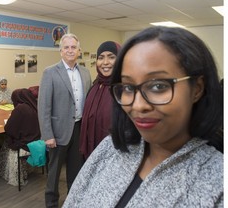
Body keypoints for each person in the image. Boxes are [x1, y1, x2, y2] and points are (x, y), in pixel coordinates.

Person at [63, 26, 223, 207]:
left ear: (197, 88)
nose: (138, 105)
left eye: (158, 86)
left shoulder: (218, 182)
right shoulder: (110, 148)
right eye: (128, 87)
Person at [38, 33, 92, 208]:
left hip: (78, 128)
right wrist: (48, 135)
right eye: (66, 47)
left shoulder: (85, 72)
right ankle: (51, 203)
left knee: (75, 170)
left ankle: (72, 201)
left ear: (79, 51)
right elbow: (44, 106)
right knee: (54, 172)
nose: (70, 50)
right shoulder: (50, 72)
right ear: (61, 51)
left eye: (73, 47)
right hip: (57, 131)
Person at [80, 41, 121, 160]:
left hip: (116, 157)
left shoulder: (125, 89)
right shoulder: (95, 86)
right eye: (101, 58)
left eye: (111, 57)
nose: (105, 62)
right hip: (92, 155)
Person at [0, 88, 41, 186]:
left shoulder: (20, 109)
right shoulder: (35, 105)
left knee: (6, 142)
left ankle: (5, 171)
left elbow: (9, 128)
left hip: (25, 143)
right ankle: (27, 169)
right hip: (37, 140)